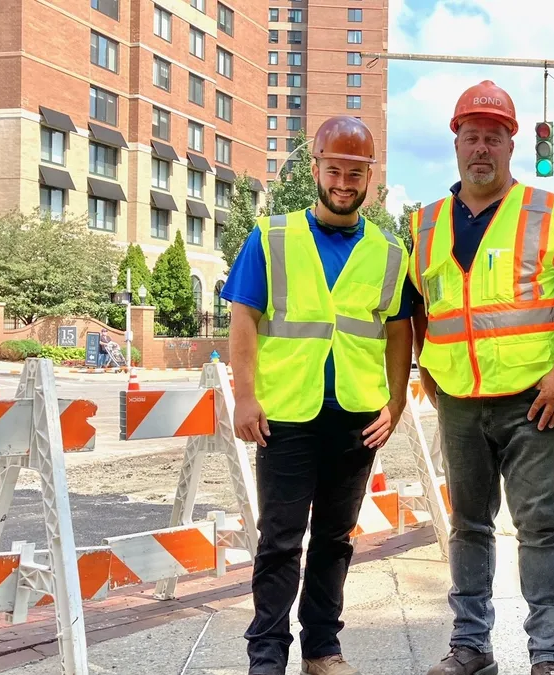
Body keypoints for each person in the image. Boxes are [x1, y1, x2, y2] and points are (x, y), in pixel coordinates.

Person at [408, 81, 554, 675]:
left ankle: (548, 656)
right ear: (457, 143)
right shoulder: (425, 222)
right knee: (468, 526)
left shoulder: (548, 212)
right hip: (460, 403)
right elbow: (417, 305)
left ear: (512, 143)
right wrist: (430, 367)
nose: (481, 148)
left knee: (539, 527)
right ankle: (471, 645)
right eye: (472, 136)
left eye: (494, 136)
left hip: (531, 400)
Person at [224, 116, 414, 675]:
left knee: (335, 539)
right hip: (285, 415)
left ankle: (323, 650)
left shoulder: (388, 250)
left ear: (369, 177)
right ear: (316, 169)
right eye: (335, 169)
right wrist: (244, 397)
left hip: (356, 415)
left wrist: (395, 402)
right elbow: (243, 319)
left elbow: (400, 331)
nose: (345, 181)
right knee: (279, 540)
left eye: (356, 172)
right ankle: (266, 657)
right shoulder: (271, 235)